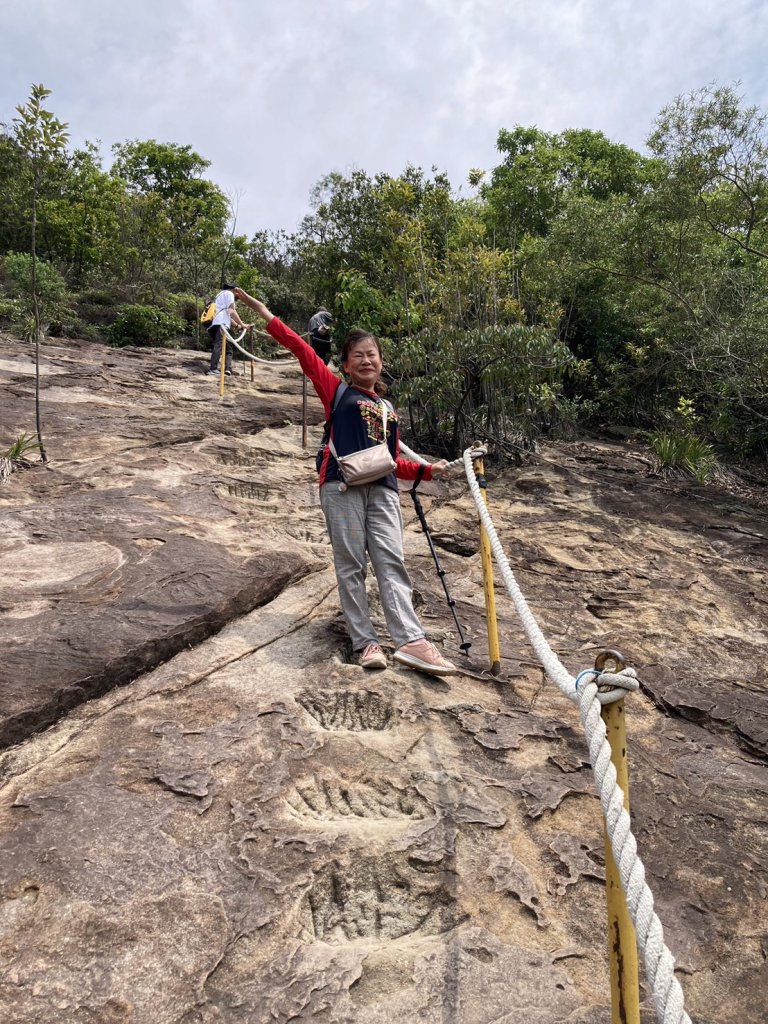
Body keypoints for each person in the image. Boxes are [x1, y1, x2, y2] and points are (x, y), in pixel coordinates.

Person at [234, 287, 456, 677]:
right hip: (341, 486)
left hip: (384, 490)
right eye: (359, 356)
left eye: (372, 354)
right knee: (351, 564)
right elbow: (300, 349)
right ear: (347, 365)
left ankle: (411, 641)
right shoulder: (336, 391)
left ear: (381, 362)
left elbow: (390, 460)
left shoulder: (388, 408)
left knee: (392, 561)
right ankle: (365, 641)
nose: (367, 360)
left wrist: (426, 471)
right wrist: (261, 311)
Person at [206, 283, 253, 376]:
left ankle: (227, 369)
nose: (238, 296)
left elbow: (226, 314)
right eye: (238, 294)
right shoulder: (229, 294)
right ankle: (212, 369)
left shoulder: (220, 296)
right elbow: (231, 311)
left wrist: (238, 326)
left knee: (228, 349)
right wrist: (242, 324)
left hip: (216, 323)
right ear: (235, 290)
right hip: (221, 324)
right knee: (218, 346)